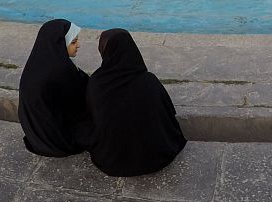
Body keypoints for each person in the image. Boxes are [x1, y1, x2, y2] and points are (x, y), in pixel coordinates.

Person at [86, 28, 186, 177]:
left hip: (114, 162)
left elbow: (93, 119)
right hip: (158, 157)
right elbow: (169, 112)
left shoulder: (97, 84)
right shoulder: (149, 81)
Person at [18, 19, 92, 157]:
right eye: (74, 42)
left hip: (36, 136)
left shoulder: (37, 61)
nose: (78, 45)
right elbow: (80, 100)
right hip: (57, 140)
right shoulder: (61, 70)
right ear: (60, 44)